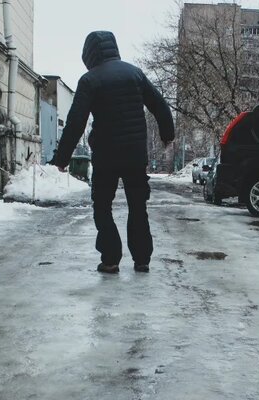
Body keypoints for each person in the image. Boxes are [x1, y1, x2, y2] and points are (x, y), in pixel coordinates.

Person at [52, 31, 175, 274]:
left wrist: (62, 158)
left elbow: (76, 121)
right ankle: (142, 259)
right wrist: (167, 134)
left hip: (106, 155)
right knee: (138, 206)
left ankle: (110, 259)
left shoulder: (90, 80)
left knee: (102, 206)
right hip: (135, 154)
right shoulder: (134, 73)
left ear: (89, 55)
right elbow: (159, 105)